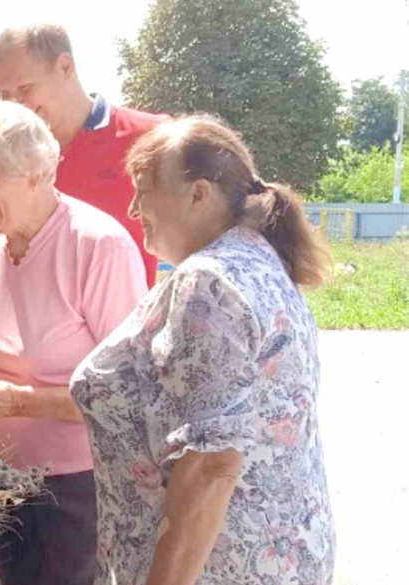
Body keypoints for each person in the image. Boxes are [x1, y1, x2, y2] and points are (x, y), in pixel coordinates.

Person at [70, 115, 335, 585]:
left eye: (145, 190)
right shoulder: (255, 261)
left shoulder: (208, 282)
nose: (132, 208)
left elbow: (212, 466)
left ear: (198, 194)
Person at [0, 101, 148, 585]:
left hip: (79, 484)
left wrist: (14, 401)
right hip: (6, 474)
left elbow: (127, 393)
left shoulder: (98, 246)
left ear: (35, 172)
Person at [0, 23, 166, 286]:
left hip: (126, 322)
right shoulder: (1, 155)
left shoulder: (152, 137)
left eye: (24, 89)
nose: (16, 106)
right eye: (5, 95)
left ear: (65, 67)